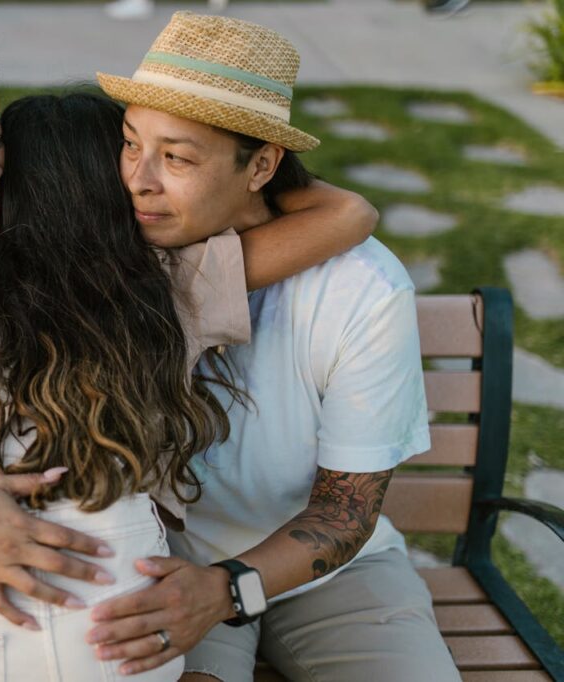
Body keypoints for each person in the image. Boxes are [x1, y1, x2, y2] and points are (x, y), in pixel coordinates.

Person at [0, 83, 373, 679]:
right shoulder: (179, 284)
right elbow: (350, 214)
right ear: (115, 185)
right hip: (122, 621)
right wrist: (260, 162)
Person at [72, 12, 461, 682]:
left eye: (179, 157)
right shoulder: (106, 247)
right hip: (157, 563)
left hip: (328, 575)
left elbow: (345, 513)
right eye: (132, 143)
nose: (139, 179)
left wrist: (227, 589)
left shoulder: (361, 285)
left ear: (262, 165)